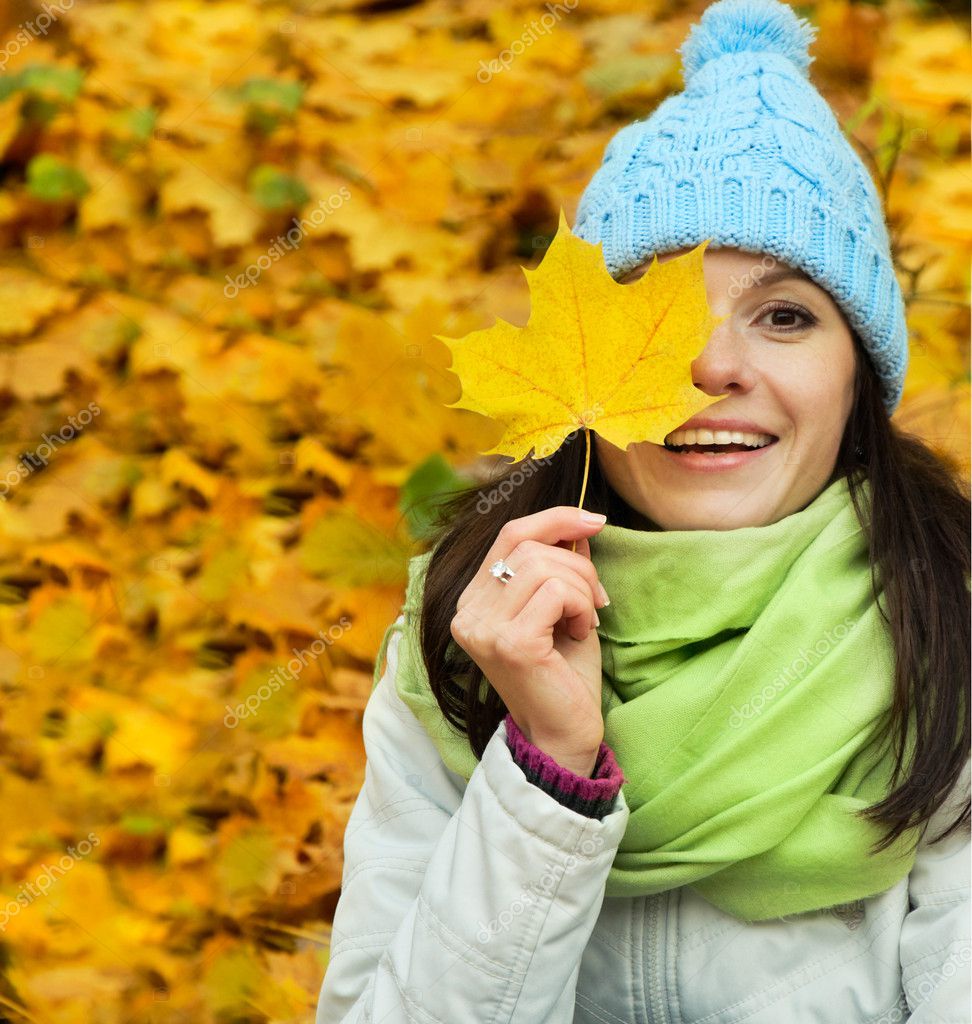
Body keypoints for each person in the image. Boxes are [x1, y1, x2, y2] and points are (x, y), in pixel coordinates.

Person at [315, 0, 971, 1020]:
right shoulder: (464, 641)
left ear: (859, 376)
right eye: (656, 319)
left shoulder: (953, 634)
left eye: (785, 316)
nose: (712, 366)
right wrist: (543, 774)